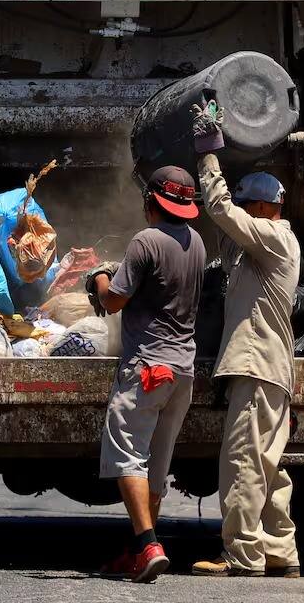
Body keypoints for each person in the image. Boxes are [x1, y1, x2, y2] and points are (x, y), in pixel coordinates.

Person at [188, 102, 303, 579]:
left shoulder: (274, 236)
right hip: (270, 368)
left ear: (259, 209)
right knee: (270, 468)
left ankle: (242, 555)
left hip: (257, 366)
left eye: (246, 207)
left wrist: (208, 151)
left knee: (242, 463)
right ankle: (279, 550)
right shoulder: (272, 244)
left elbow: (218, 208)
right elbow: (227, 234)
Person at [84, 165, 207, 583]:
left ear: (150, 201)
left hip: (147, 368)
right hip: (182, 371)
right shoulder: (197, 243)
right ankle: (138, 550)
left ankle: (149, 545)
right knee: (158, 463)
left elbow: (114, 301)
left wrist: (100, 277)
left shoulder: (145, 240)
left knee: (127, 456)